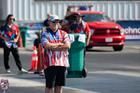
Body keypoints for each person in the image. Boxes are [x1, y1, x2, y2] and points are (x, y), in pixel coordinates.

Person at [41, 15, 71, 93]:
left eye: (58, 21)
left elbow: (68, 46)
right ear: (49, 22)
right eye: (54, 21)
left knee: (59, 86)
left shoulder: (64, 33)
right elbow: (46, 45)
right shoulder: (45, 34)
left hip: (62, 63)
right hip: (50, 64)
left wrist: (53, 46)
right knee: (49, 86)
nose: (56, 23)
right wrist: (60, 44)